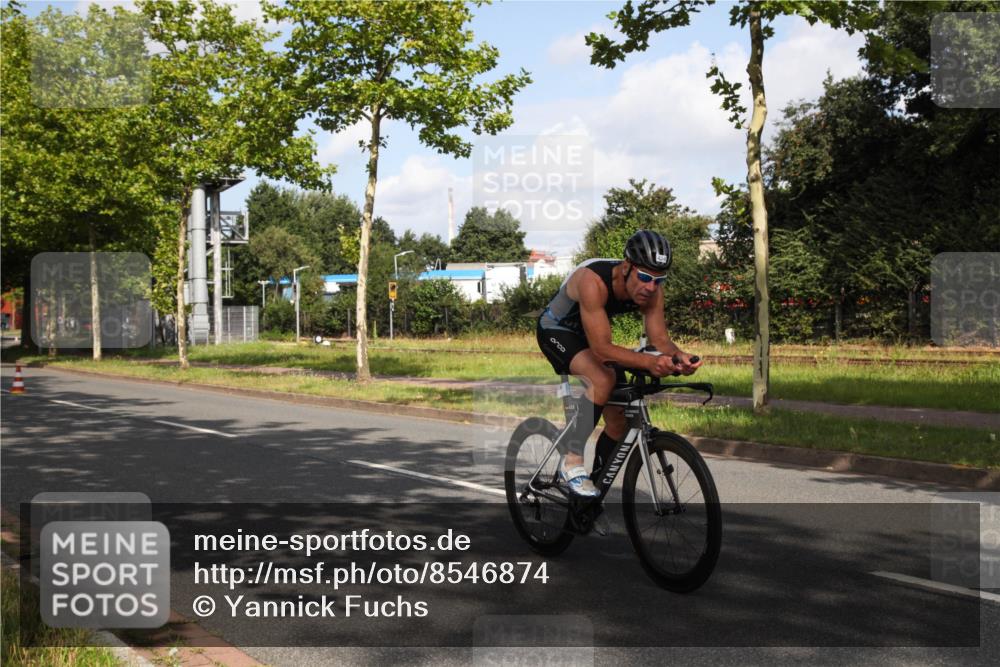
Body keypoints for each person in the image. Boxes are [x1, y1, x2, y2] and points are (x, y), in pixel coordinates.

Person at [536, 230, 702, 497]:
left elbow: (660, 339)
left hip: (592, 335)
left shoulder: (652, 291)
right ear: (627, 267)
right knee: (602, 379)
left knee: (617, 420)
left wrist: (678, 356)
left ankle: (593, 490)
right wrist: (649, 362)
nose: (651, 287)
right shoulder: (593, 280)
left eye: (659, 279)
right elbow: (602, 350)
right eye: (644, 277)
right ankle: (572, 461)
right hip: (557, 330)